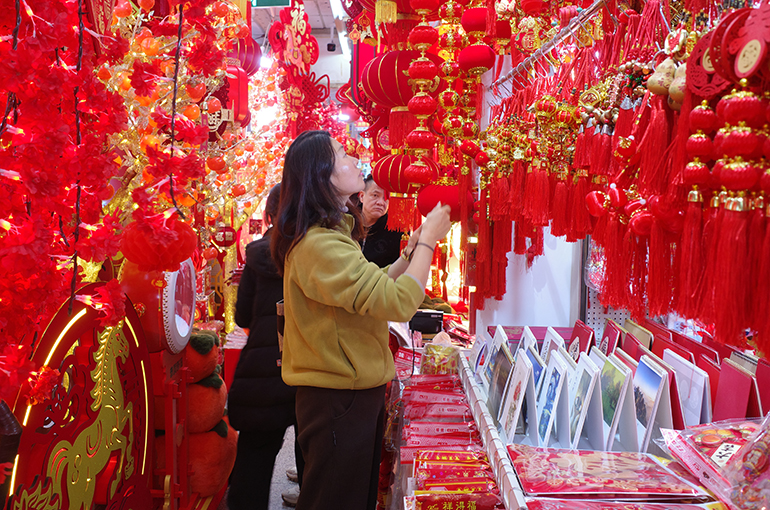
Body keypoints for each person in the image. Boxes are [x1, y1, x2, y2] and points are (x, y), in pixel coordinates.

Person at [271, 130, 451, 510]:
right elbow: (399, 303)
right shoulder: (320, 245)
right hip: (338, 398)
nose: (353, 159)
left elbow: (376, 286)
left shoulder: (332, 237)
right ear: (322, 175)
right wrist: (431, 241)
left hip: (348, 393)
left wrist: (413, 248)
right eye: (341, 154)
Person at [228, 182, 304, 510]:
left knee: (254, 458)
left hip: (264, 367)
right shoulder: (317, 252)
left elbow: (242, 314)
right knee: (312, 454)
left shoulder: (258, 253)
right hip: (311, 366)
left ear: (270, 215)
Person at [359, 175, 403, 268]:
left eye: (386, 198)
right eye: (375, 195)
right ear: (362, 196)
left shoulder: (396, 230)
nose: (381, 202)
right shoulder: (347, 222)